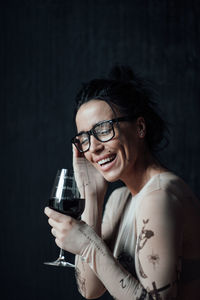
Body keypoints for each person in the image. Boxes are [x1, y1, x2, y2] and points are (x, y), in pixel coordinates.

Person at [44, 65, 200, 300]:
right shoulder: (119, 199)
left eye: (103, 129)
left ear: (139, 127)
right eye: (84, 138)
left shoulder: (160, 195)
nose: (94, 147)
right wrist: (93, 196)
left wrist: (87, 246)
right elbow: (90, 290)